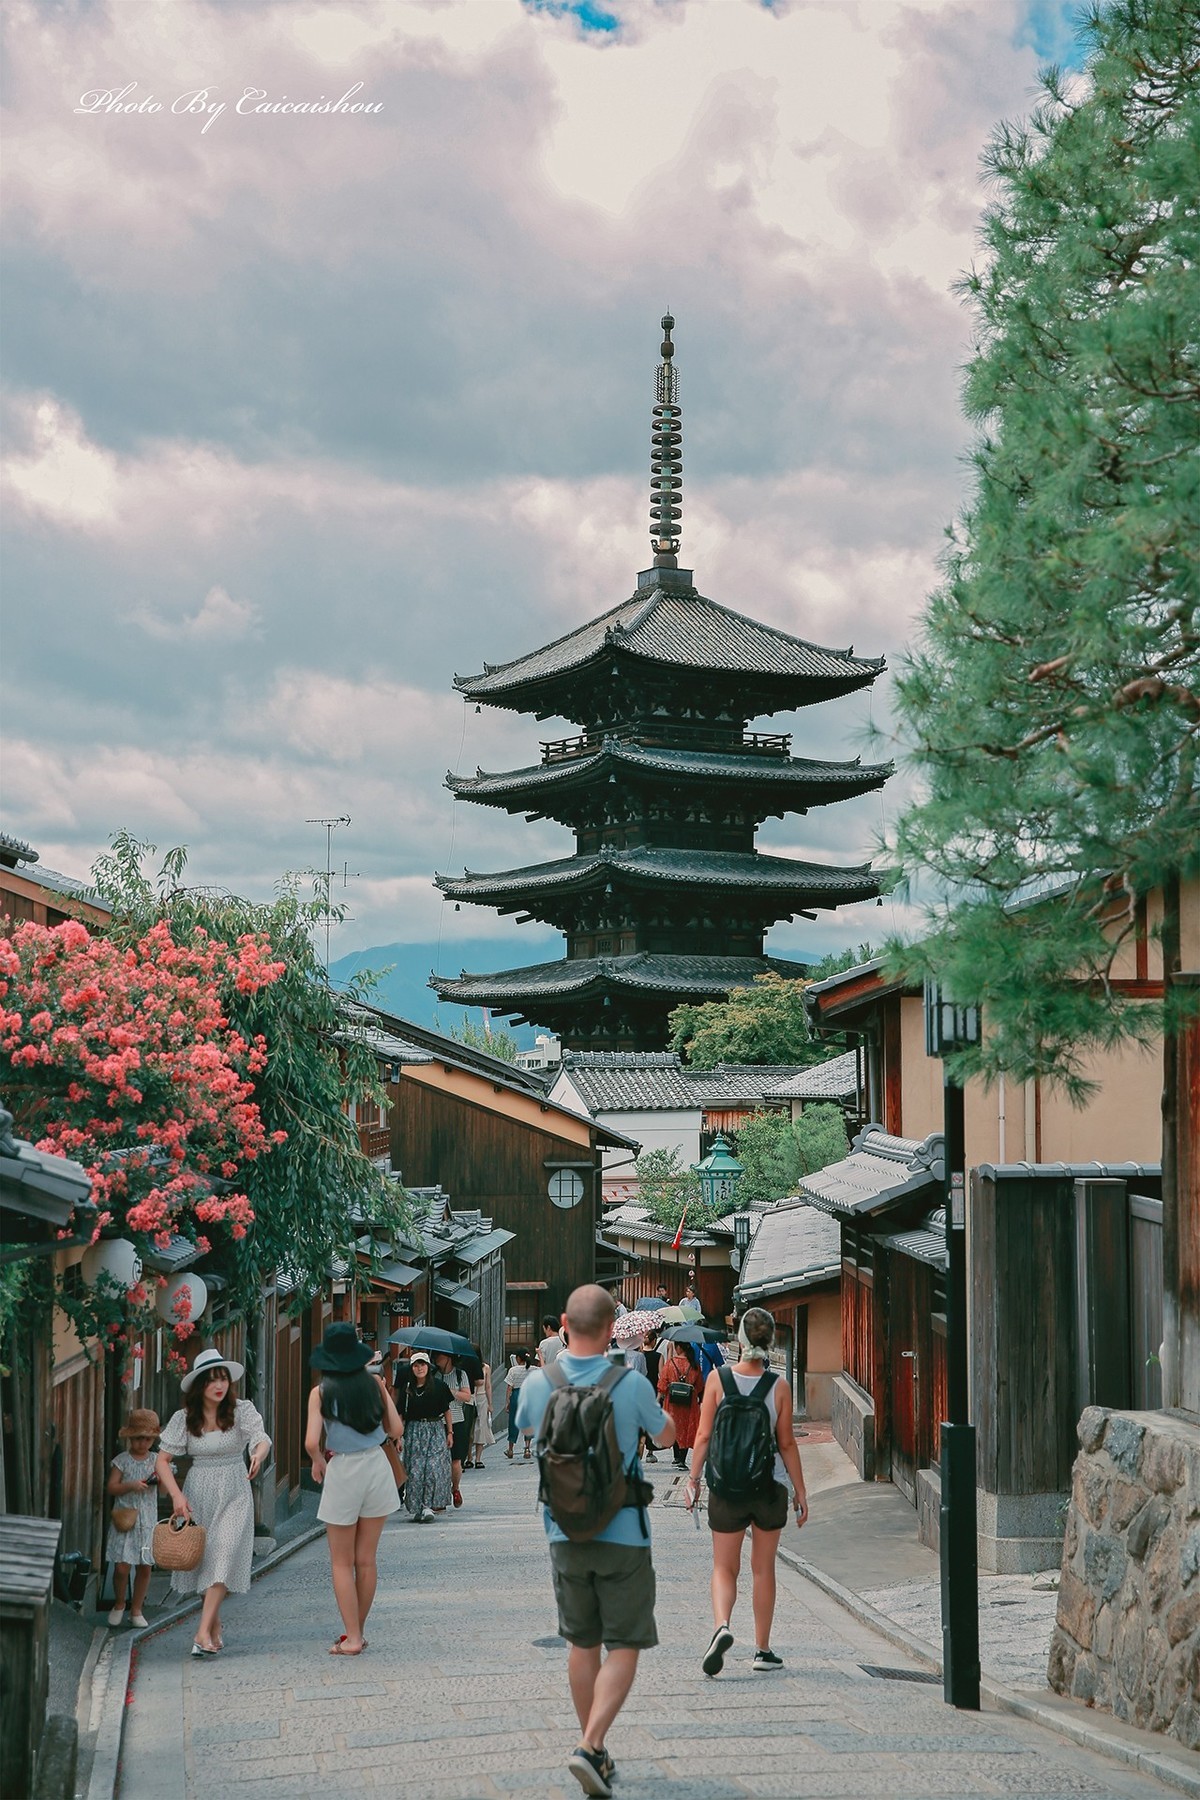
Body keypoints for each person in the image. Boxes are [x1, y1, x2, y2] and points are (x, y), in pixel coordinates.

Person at [517, 1284, 675, 1799]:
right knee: (625, 1641)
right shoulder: (629, 1385)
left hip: (563, 1531)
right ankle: (590, 1745)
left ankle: (596, 1749)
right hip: (624, 1530)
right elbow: (667, 1436)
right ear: (613, 1329)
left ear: (564, 1321)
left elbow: (528, 1432)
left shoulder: (541, 1384)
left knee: (581, 1643)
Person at [683, 1306, 810, 1676]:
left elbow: (704, 1435)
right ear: (771, 1342)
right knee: (762, 1569)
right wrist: (800, 1491)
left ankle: (722, 1625)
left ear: (739, 1339)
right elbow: (786, 1444)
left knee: (724, 1567)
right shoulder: (779, 1387)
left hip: (726, 1486)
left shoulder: (719, 1381)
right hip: (767, 1486)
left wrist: (693, 1479)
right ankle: (762, 1650)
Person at [156, 1347, 271, 1658]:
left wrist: (258, 1454)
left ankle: (201, 1632)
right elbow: (162, 1461)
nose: (220, 1386)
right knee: (206, 1561)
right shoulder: (183, 1419)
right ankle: (214, 1625)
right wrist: (177, 1496)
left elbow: (260, 1436)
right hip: (198, 1491)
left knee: (224, 1554)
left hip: (235, 1488)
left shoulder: (241, 1410)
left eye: (223, 1379)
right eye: (212, 1380)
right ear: (200, 1386)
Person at [305, 1323, 404, 1655]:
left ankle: (353, 1637)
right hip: (376, 1465)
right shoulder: (374, 1385)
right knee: (366, 1560)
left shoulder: (321, 1392)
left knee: (340, 1561)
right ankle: (355, 1633)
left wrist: (318, 1459)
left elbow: (309, 1441)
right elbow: (396, 1427)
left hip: (344, 1468)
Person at [105, 1408, 160, 1628]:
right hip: (125, 1517)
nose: (142, 1443)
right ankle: (119, 1603)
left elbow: (165, 1488)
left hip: (147, 1519)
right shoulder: (122, 1461)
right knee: (122, 1567)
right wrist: (131, 1485)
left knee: (145, 1566)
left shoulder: (156, 1460)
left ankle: (136, 1609)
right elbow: (111, 1487)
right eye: (138, 1438)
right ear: (130, 1438)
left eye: (147, 1439)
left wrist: (161, 1479)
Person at [398, 1352, 453, 1520]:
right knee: (415, 1471)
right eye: (416, 1365)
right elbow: (400, 1414)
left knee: (432, 1469)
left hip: (435, 1429)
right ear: (412, 1368)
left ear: (428, 1367)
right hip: (414, 1431)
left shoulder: (439, 1386)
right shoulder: (407, 1389)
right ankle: (417, 1507)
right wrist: (398, 1437)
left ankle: (428, 1506)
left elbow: (446, 1410)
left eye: (422, 1365)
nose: (419, 1368)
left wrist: (450, 1432)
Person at [434, 1351, 473, 1506]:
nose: (436, 1358)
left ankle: (455, 1488)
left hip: (457, 1421)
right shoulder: (433, 1375)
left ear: (448, 1358)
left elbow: (467, 1396)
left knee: (456, 1460)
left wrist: (449, 1391)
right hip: (437, 1421)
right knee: (438, 1461)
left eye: (439, 1356)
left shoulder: (460, 1374)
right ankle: (440, 1493)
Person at [658, 1339, 703, 1468]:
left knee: (674, 1427)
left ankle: (676, 1456)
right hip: (689, 1403)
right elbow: (699, 1386)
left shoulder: (670, 1364)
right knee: (686, 1428)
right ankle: (682, 1459)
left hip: (672, 1403)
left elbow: (662, 1385)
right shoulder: (694, 1365)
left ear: (678, 1347)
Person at [503, 1350, 534, 1459]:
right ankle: (527, 1449)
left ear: (518, 1359)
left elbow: (509, 1387)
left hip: (516, 1395)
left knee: (513, 1422)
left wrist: (507, 1402)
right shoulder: (533, 1369)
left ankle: (511, 1449)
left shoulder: (513, 1370)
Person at [469, 1358, 494, 1468]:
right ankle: (468, 1457)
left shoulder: (485, 1367)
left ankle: (478, 1458)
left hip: (482, 1397)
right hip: (469, 1397)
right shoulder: (465, 1366)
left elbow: (488, 1385)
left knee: (481, 1427)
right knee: (469, 1428)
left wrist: (490, 1403)